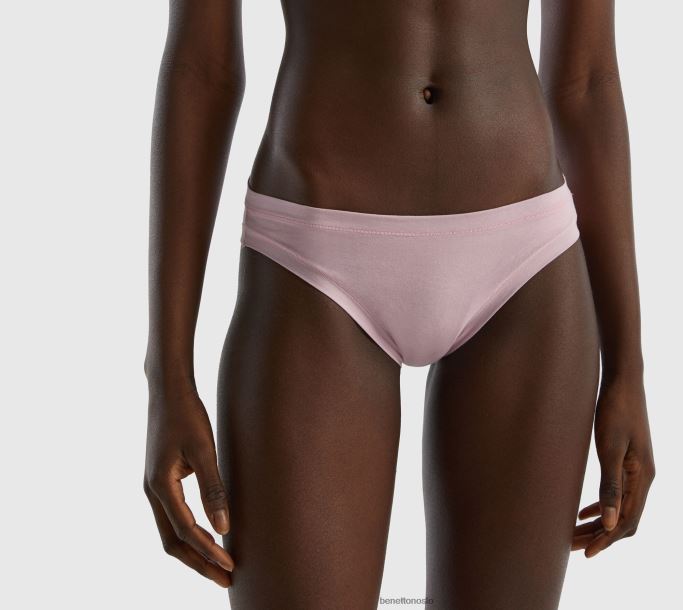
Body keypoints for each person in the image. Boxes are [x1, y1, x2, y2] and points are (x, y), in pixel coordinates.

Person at [143, 0, 656, 607]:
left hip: (526, 259)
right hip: (313, 255)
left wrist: (627, 369)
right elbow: (201, 69)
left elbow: (587, 80)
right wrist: (168, 375)